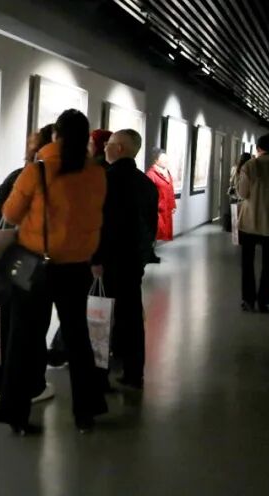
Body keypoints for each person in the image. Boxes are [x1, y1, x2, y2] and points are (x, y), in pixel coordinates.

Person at [0, 109, 107, 435]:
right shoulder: (96, 174)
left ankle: (17, 416)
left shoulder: (38, 170)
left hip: (36, 266)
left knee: (24, 340)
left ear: (56, 134)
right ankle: (86, 413)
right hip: (76, 268)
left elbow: (10, 213)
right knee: (78, 339)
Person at [0, 124, 55, 402]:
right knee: (28, 325)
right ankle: (28, 386)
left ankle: (3, 383)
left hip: (11, 261)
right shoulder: (40, 179)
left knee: (10, 323)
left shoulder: (21, 175)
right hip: (27, 263)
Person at [92, 129, 159, 390]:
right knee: (131, 317)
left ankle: (99, 376)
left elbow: (100, 225)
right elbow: (150, 227)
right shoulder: (146, 184)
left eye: (109, 143)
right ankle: (133, 373)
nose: (104, 147)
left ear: (119, 149)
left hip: (108, 262)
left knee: (101, 318)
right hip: (133, 262)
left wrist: (96, 259)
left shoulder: (105, 180)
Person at [237, 134, 269, 312]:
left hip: (250, 221)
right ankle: (264, 300)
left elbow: (243, 193)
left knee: (247, 262)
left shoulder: (250, 166)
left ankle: (248, 299)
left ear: (258, 148)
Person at [146, 147, 177, 243]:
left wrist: (173, 205)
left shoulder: (167, 173)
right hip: (157, 210)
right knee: (154, 232)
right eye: (163, 159)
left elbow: (170, 190)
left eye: (166, 158)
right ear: (156, 160)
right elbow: (147, 195)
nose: (166, 161)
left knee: (161, 233)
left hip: (166, 209)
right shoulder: (151, 175)